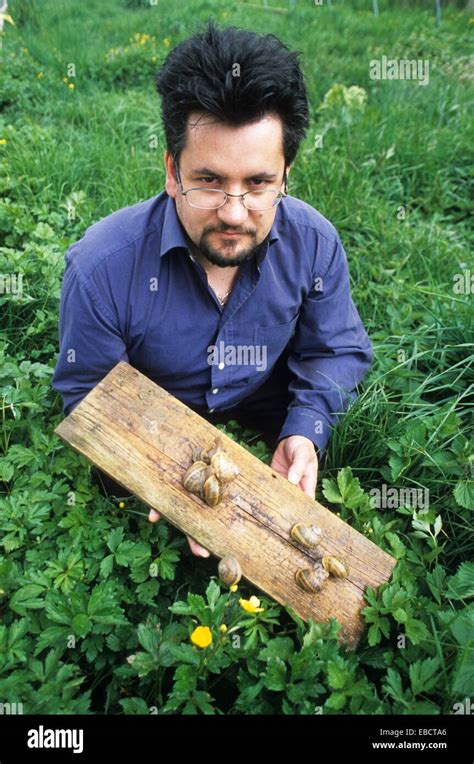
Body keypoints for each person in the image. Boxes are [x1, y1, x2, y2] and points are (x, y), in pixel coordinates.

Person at [51, 21, 372, 558]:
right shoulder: (100, 268)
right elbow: (88, 394)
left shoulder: (314, 243)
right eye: (209, 181)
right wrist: (158, 469)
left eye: (258, 184)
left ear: (286, 175)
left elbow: (335, 349)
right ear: (172, 171)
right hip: (155, 420)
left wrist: (305, 428)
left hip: (262, 400)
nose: (233, 212)